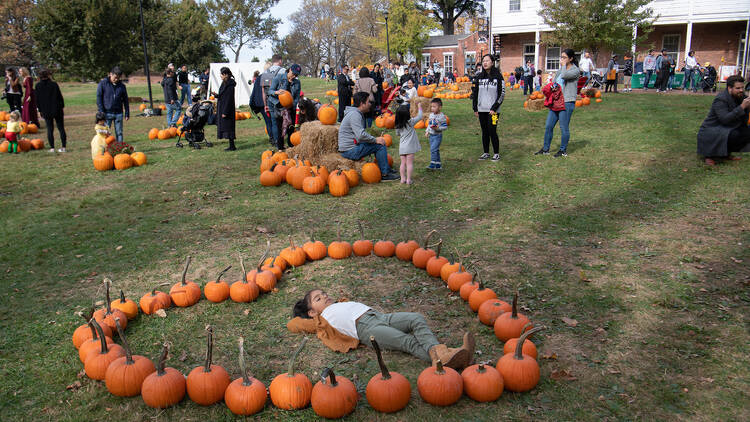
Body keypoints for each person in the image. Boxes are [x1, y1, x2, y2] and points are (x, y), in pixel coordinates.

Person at [288, 289, 476, 369]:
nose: (325, 297)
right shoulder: (320, 320)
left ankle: (443, 355)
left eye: (324, 293)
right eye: (318, 299)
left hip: (381, 317)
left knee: (416, 318)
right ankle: (447, 357)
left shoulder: (338, 304)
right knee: (407, 341)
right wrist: (303, 315)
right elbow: (294, 324)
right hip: (367, 330)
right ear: (312, 312)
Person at [338, 92, 400, 181]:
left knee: (377, 142)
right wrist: (375, 140)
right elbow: (360, 136)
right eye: (368, 102)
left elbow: (359, 135)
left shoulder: (354, 113)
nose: (370, 104)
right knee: (380, 145)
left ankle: (385, 168)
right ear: (362, 104)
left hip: (349, 148)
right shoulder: (355, 115)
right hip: (349, 151)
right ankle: (385, 174)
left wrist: (372, 140)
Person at [696, 75, 750, 166]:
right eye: (738, 88)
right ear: (729, 88)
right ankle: (709, 155)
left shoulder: (741, 97)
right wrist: (742, 107)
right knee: (734, 135)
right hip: (713, 129)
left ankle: (725, 153)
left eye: (742, 87)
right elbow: (724, 119)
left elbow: (744, 117)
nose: (741, 90)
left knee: (747, 132)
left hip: (729, 127)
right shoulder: (721, 99)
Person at [536, 48, 580, 157]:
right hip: (556, 101)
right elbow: (555, 82)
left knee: (563, 127)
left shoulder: (575, 70)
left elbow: (565, 76)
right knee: (548, 126)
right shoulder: (561, 69)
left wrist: (564, 65)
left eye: (564, 57)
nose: (562, 59)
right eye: (561, 57)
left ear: (571, 58)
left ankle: (562, 150)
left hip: (567, 101)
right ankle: (545, 149)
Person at [471, 54, 505, 161]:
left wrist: (494, 107)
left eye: (487, 61)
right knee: (484, 131)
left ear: (492, 62)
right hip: (482, 110)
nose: (485, 63)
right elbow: (475, 93)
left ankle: (496, 153)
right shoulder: (479, 77)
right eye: (483, 61)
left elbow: (502, 94)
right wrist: (475, 108)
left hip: (494, 111)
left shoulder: (498, 77)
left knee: (492, 130)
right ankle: (486, 152)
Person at [35, 69, 67, 152]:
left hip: (46, 110)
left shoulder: (38, 86)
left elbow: (37, 99)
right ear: (48, 75)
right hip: (57, 108)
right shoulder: (54, 84)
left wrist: (40, 110)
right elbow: (60, 96)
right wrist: (62, 106)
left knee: (50, 128)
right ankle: (63, 147)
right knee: (61, 128)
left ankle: (52, 147)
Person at [271, 64, 302, 149]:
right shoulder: (279, 78)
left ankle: (291, 147)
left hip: (291, 108)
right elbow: (270, 91)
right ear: (290, 70)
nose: (294, 76)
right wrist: (276, 92)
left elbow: (297, 97)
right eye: (294, 73)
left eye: (296, 75)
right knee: (280, 129)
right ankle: (280, 148)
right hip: (279, 108)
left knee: (291, 129)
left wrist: (293, 104)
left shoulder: (297, 82)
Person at [96, 66, 129, 143]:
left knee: (119, 133)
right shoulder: (103, 84)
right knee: (105, 133)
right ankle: (104, 150)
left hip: (119, 113)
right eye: (115, 77)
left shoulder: (122, 86)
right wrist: (101, 111)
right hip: (106, 113)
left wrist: (127, 113)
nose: (116, 79)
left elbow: (125, 100)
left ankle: (119, 149)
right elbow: (99, 98)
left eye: (118, 78)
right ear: (110, 74)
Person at [394, 103, 422, 184]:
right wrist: (419, 107)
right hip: (410, 147)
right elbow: (420, 116)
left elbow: (397, 134)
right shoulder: (411, 122)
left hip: (402, 147)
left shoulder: (398, 125)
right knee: (409, 164)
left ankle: (402, 179)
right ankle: (409, 179)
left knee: (402, 163)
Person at [261, 55, 285, 144]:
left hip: (269, 100)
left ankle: (276, 141)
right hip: (281, 100)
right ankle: (281, 140)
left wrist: (265, 104)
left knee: (274, 122)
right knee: (283, 120)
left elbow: (263, 91)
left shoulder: (265, 72)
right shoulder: (283, 71)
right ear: (280, 61)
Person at [213, 67, 237, 151]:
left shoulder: (230, 85)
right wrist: (216, 95)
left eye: (222, 74)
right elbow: (222, 95)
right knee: (226, 127)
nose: (220, 76)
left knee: (229, 127)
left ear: (226, 75)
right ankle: (231, 145)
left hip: (227, 109)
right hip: (222, 107)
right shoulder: (224, 83)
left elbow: (229, 99)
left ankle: (232, 146)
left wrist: (225, 112)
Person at [426, 98, 448, 170]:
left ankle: (432, 164)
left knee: (433, 149)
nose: (432, 108)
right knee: (436, 150)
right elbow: (429, 125)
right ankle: (438, 165)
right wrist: (427, 131)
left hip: (437, 136)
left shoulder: (442, 117)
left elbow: (445, 127)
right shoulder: (431, 115)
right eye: (431, 106)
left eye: (434, 107)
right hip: (431, 136)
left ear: (440, 107)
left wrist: (437, 128)